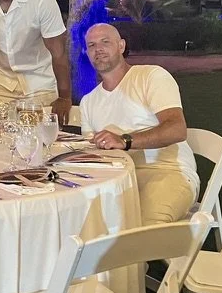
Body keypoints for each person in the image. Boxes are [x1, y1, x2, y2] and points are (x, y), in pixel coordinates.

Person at [79, 23, 199, 225]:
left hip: (167, 171)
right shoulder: (88, 102)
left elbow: (177, 129)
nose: (98, 49)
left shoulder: (150, 76)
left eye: (105, 42)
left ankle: (149, 256)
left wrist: (125, 140)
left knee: (140, 233)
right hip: (116, 180)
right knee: (77, 221)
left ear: (121, 46)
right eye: (91, 45)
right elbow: (93, 153)